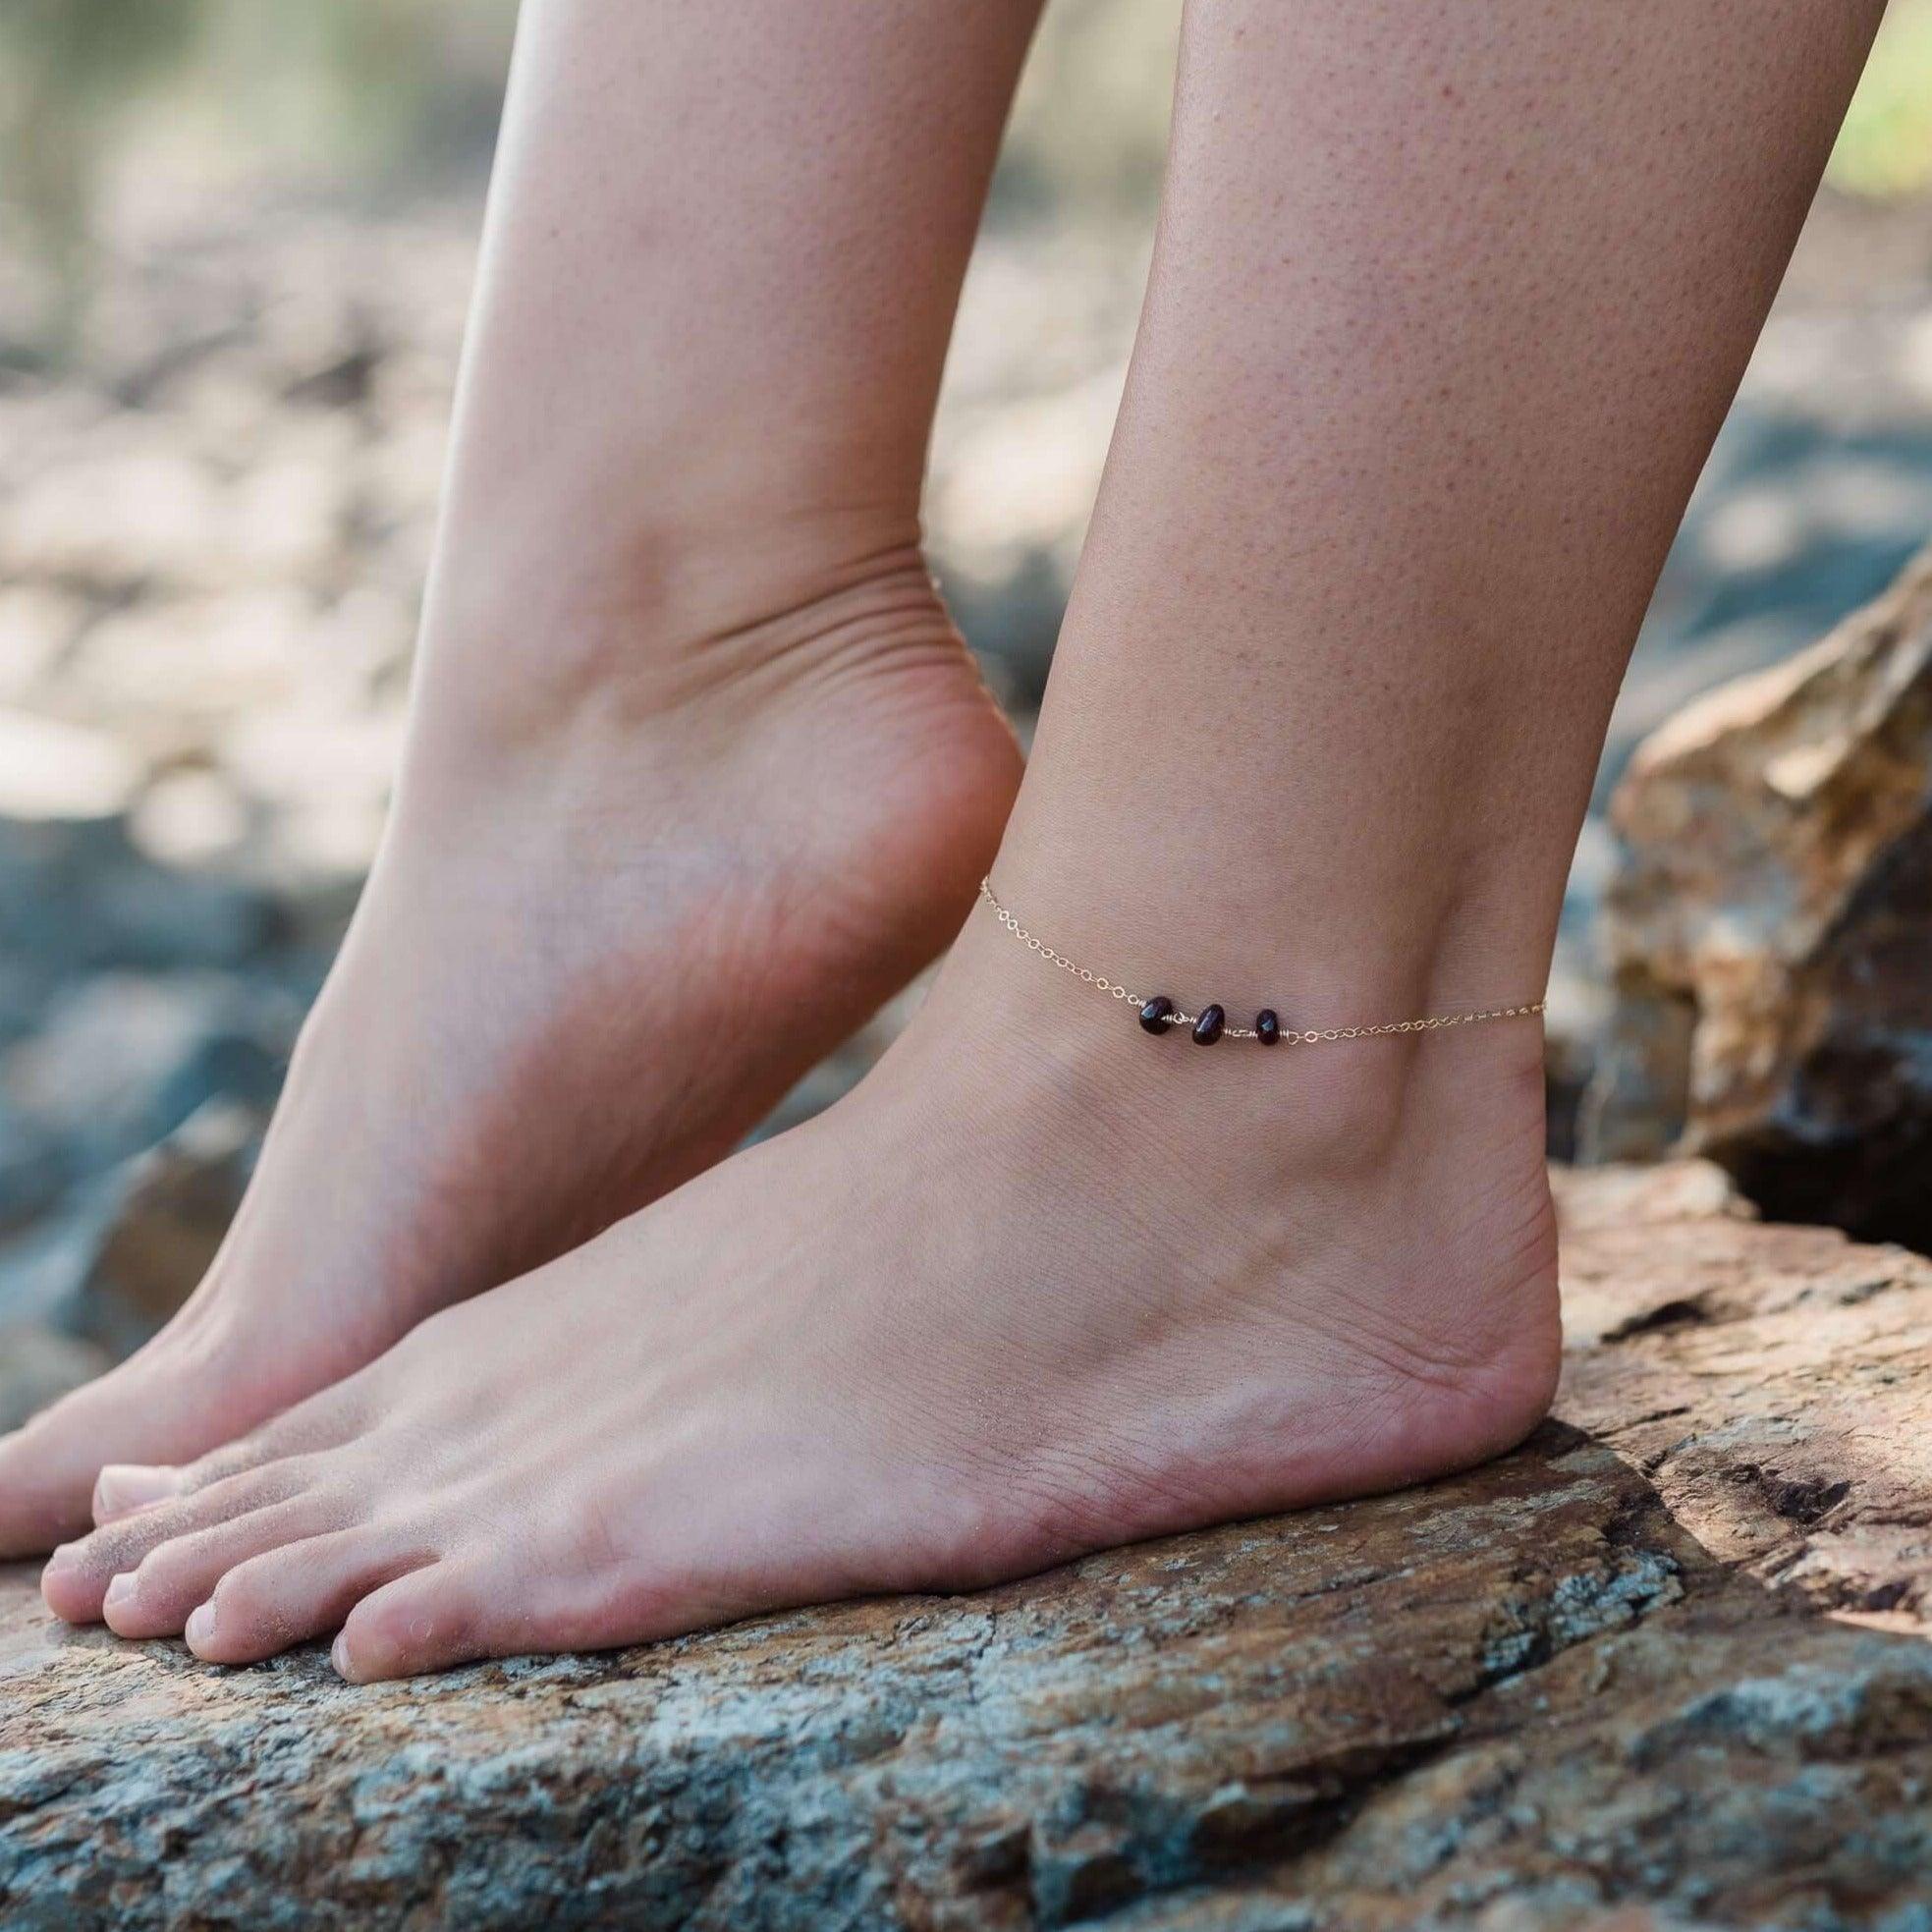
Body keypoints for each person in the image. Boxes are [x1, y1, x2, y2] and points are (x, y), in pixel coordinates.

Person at [10, 0, 1887, 1680]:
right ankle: (655, 681)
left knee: (1246, 999)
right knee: (651, 629)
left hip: (1248, 1064)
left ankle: (1238, 1066)